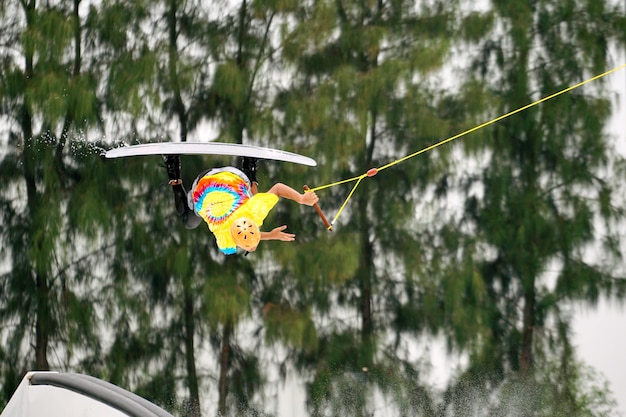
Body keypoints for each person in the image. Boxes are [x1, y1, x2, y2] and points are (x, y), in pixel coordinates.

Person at [164, 155, 319, 255]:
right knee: (189, 222)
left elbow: (278, 188)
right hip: (204, 181)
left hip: (234, 175)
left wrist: (300, 198)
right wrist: (269, 236)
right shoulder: (225, 240)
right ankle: (173, 170)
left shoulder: (254, 213)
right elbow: (241, 239)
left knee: (254, 198)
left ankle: (250, 168)